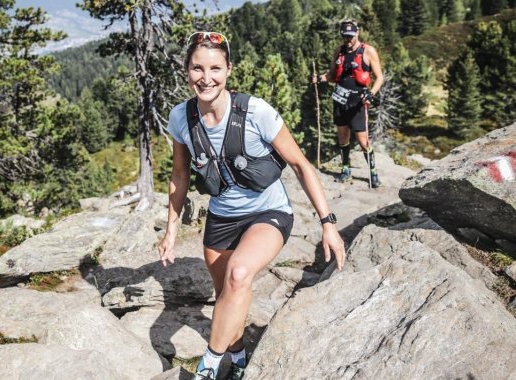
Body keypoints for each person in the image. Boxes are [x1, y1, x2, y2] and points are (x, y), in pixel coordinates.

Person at [158, 31, 346, 380]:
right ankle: (240, 357)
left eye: (215, 68)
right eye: (197, 68)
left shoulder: (255, 112)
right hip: (221, 218)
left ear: (228, 69)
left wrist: (328, 222)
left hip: (268, 212)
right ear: (186, 70)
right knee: (228, 295)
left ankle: (208, 367)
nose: (206, 77)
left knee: (239, 274)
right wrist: (171, 230)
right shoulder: (181, 118)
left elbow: (301, 165)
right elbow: (180, 175)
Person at [313, 19, 384, 188]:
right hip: (339, 99)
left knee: (362, 140)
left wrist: (371, 93)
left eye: (351, 36)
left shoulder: (368, 51)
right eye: (345, 36)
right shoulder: (339, 51)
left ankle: (373, 172)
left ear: (357, 33)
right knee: (342, 135)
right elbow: (332, 75)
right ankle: (346, 169)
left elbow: (379, 77)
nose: (348, 39)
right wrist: (320, 78)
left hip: (358, 101)